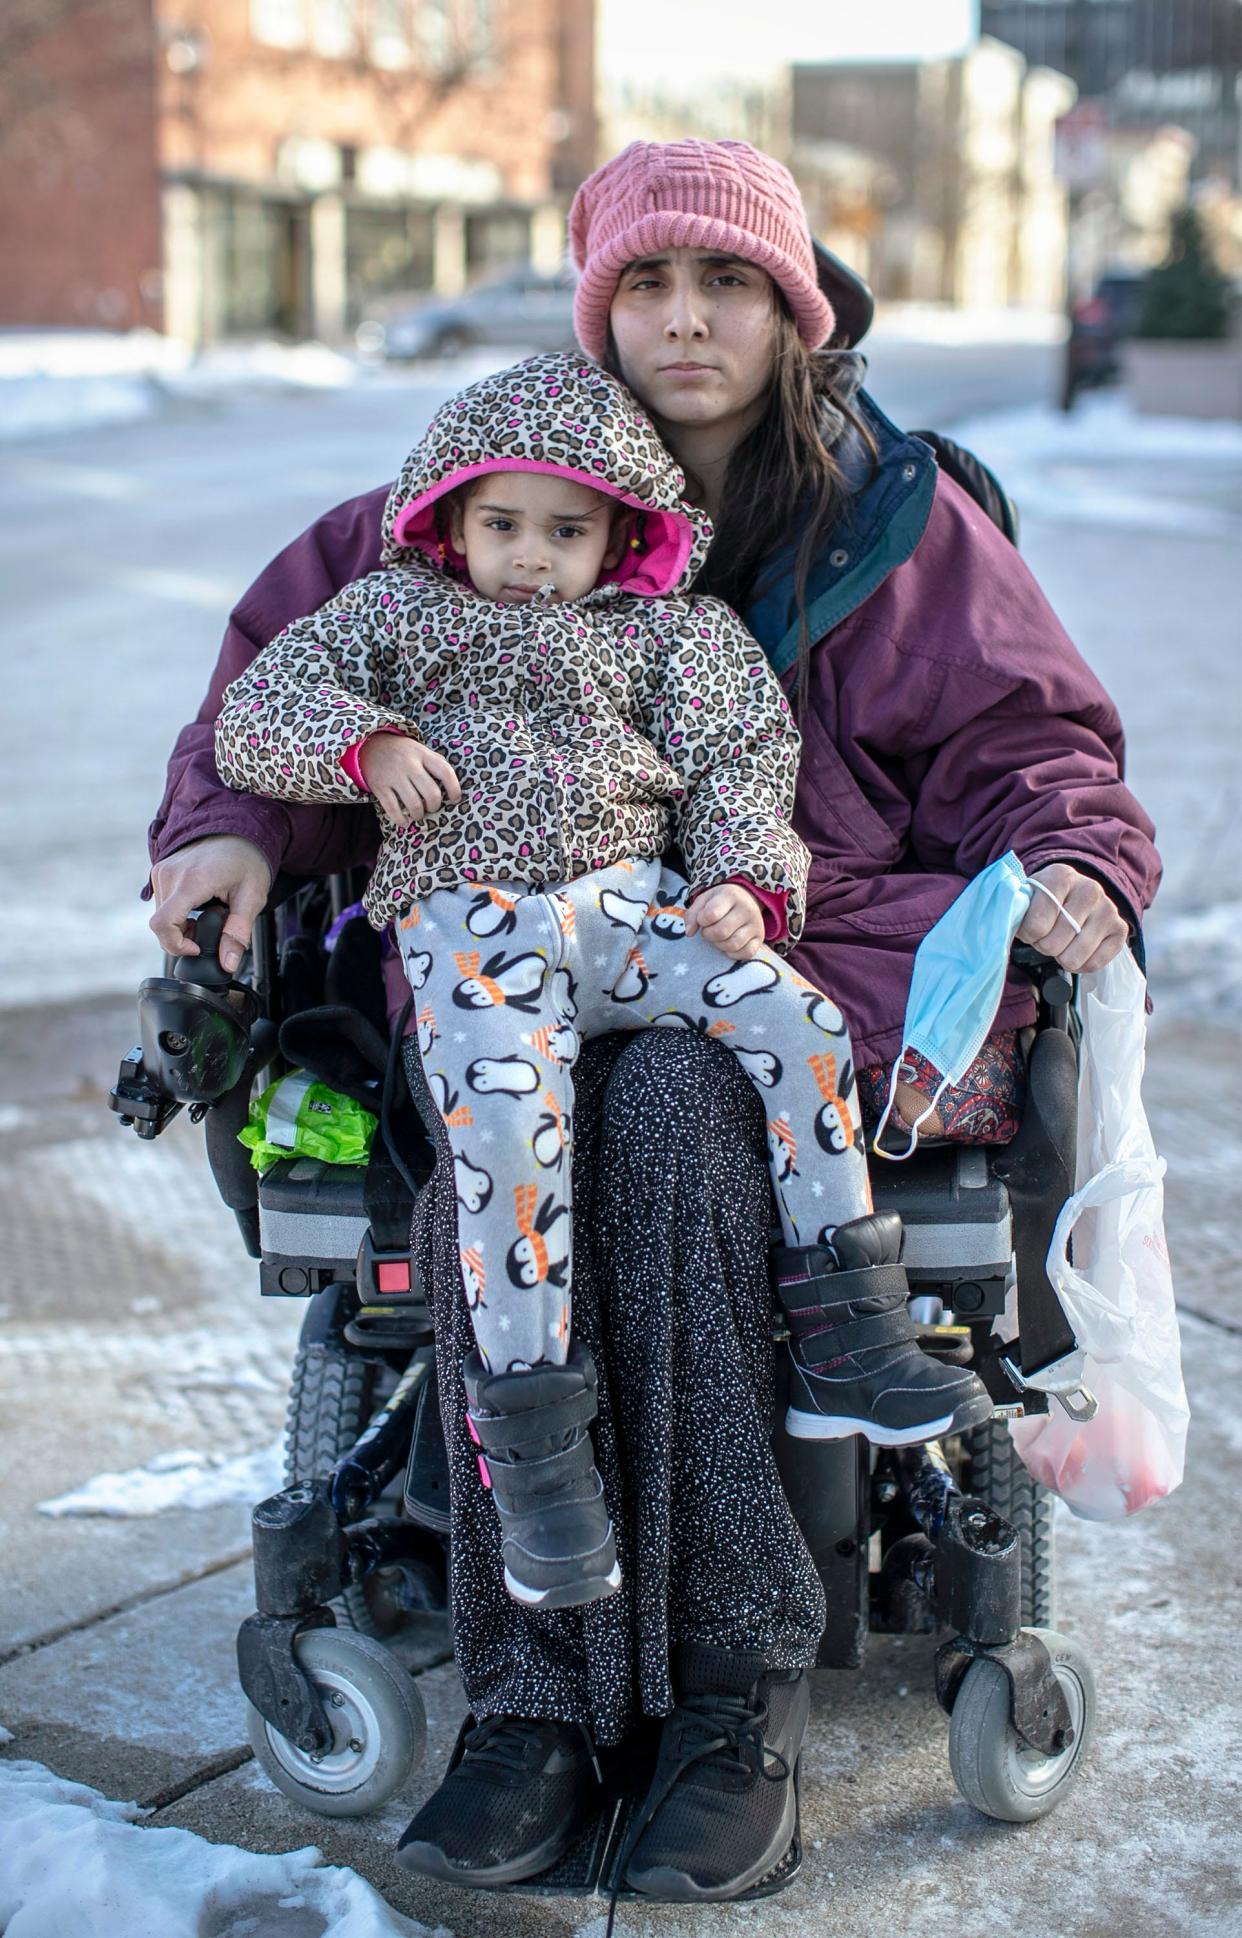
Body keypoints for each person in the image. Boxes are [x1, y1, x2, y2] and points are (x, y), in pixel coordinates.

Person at [145, 140, 1160, 1903]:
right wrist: (227, 824)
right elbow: (287, 686)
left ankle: (724, 1686)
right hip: (494, 954)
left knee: (672, 1113)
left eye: (729, 282)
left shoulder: (891, 522)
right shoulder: (470, 481)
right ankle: (536, 1705)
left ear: (798, 308)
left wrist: (1069, 857)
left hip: (763, 945)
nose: (685, 318)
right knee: (504, 1110)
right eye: (644, 282)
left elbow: (1033, 745)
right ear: (594, 302)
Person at [213, 350, 995, 1619]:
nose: (531, 555)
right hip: (474, 927)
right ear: (448, 522)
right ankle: (535, 1453)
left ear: (623, 534)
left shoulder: (673, 635)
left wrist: (749, 880)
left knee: (795, 1023)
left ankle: (847, 1324)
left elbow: (746, 755)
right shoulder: (394, 616)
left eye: (567, 530)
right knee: (512, 1142)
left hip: (630, 906)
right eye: (502, 524)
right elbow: (262, 706)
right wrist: (369, 742)